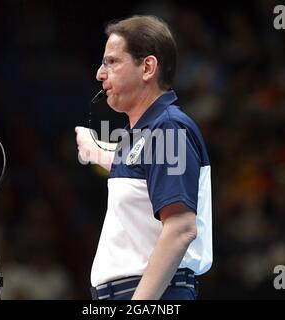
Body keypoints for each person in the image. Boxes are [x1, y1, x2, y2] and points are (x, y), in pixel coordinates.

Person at [75, 15, 212, 300]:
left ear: (147, 67)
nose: (100, 74)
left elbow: (180, 228)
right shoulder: (143, 134)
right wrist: (96, 152)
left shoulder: (169, 128)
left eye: (111, 62)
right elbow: (139, 172)